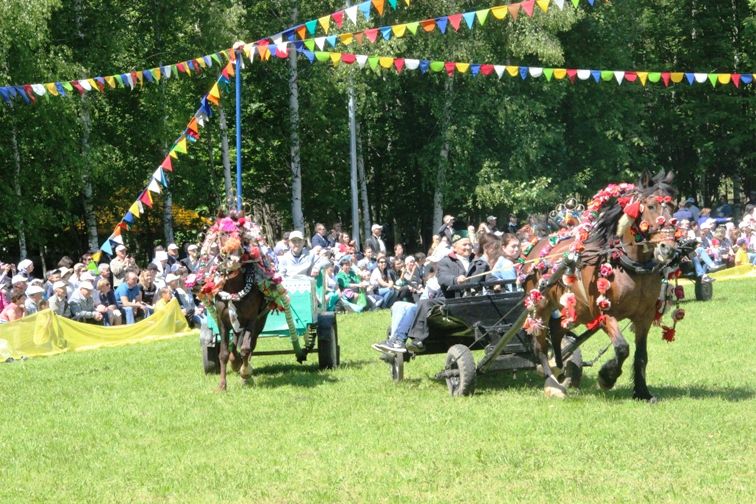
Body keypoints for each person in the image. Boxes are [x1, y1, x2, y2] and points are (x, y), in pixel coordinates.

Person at [384, 234, 474, 354]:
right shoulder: (446, 262)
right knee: (423, 304)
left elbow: (488, 275)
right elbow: (443, 278)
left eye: (470, 244)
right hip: (452, 298)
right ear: (455, 247)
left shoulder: (477, 261)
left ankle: (399, 339)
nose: (468, 247)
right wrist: (455, 279)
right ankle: (415, 339)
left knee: (418, 305)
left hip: (474, 299)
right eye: (464, 244)